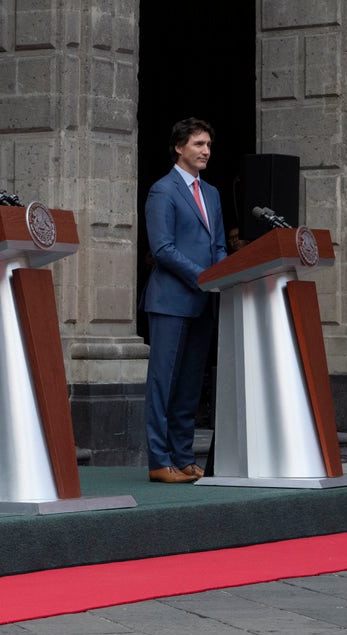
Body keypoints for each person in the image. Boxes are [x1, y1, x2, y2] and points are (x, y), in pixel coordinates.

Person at [142, 117, 227, 484]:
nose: (206, 151)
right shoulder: (163, 190)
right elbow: (162, 248)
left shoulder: (212, 193)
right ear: (179, 148)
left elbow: (219, 245)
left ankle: (183, 456)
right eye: (198, 144)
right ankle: (159, 461)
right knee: (164, 384)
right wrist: (204, 277)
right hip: (171, 301)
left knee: (191, 385)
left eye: (208, 144)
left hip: (204, 302)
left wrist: (225, 276)